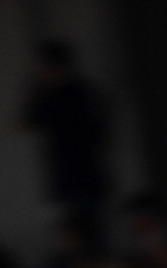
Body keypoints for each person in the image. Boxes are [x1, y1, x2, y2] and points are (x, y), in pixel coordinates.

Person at [20, 38, 112, 238]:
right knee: (71, 234)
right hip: (65, 175)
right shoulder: (49, 95)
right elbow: (26, 122)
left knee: (89, 232)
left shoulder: (80, 92)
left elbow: (97, 131)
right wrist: (36, 92)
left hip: (83, 174)